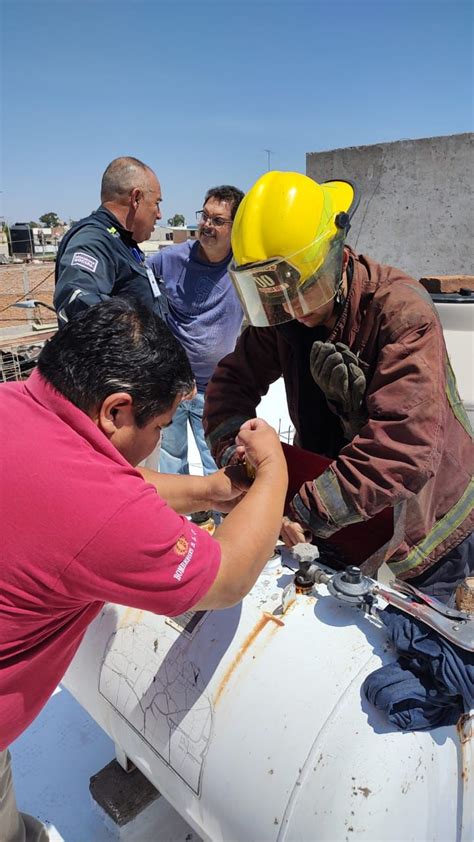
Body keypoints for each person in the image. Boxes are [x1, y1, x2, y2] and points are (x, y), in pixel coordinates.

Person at [0, 297, 287, 842]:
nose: (160, 439)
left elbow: (96, 485)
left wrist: (208, 490)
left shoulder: (17, 404)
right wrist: (273, 471)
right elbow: (225, 577)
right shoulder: (98, 508)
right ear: (115, 410)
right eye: (159, 425)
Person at [203, 170, 473, 603]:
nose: (297, 311)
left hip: (428, 525)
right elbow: (230, 386)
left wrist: (300, 509)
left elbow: (404, 447)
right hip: (344, 507)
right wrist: (243, 466)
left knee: (421, 647)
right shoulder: (284, 309)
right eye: (282, 301)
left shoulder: (401, 313)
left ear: (337, 256)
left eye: (309, 291)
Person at [147, 185, 244, 531]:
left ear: (237, 226)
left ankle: (225, 525)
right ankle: (180, 525)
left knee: (216, 458)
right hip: (172, 384)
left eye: (218, 220)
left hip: (218, 388)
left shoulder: (244, 265)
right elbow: (134, 277)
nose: (207, 225)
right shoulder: (171, 258)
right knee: (172, 457)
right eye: (204, 216)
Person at [54, 156, 167, 326]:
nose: (159, 215)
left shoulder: (121, 241)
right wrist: (135, 334)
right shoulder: (94, 239)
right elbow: (76, 301)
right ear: (136, 198)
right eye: (156, 203)